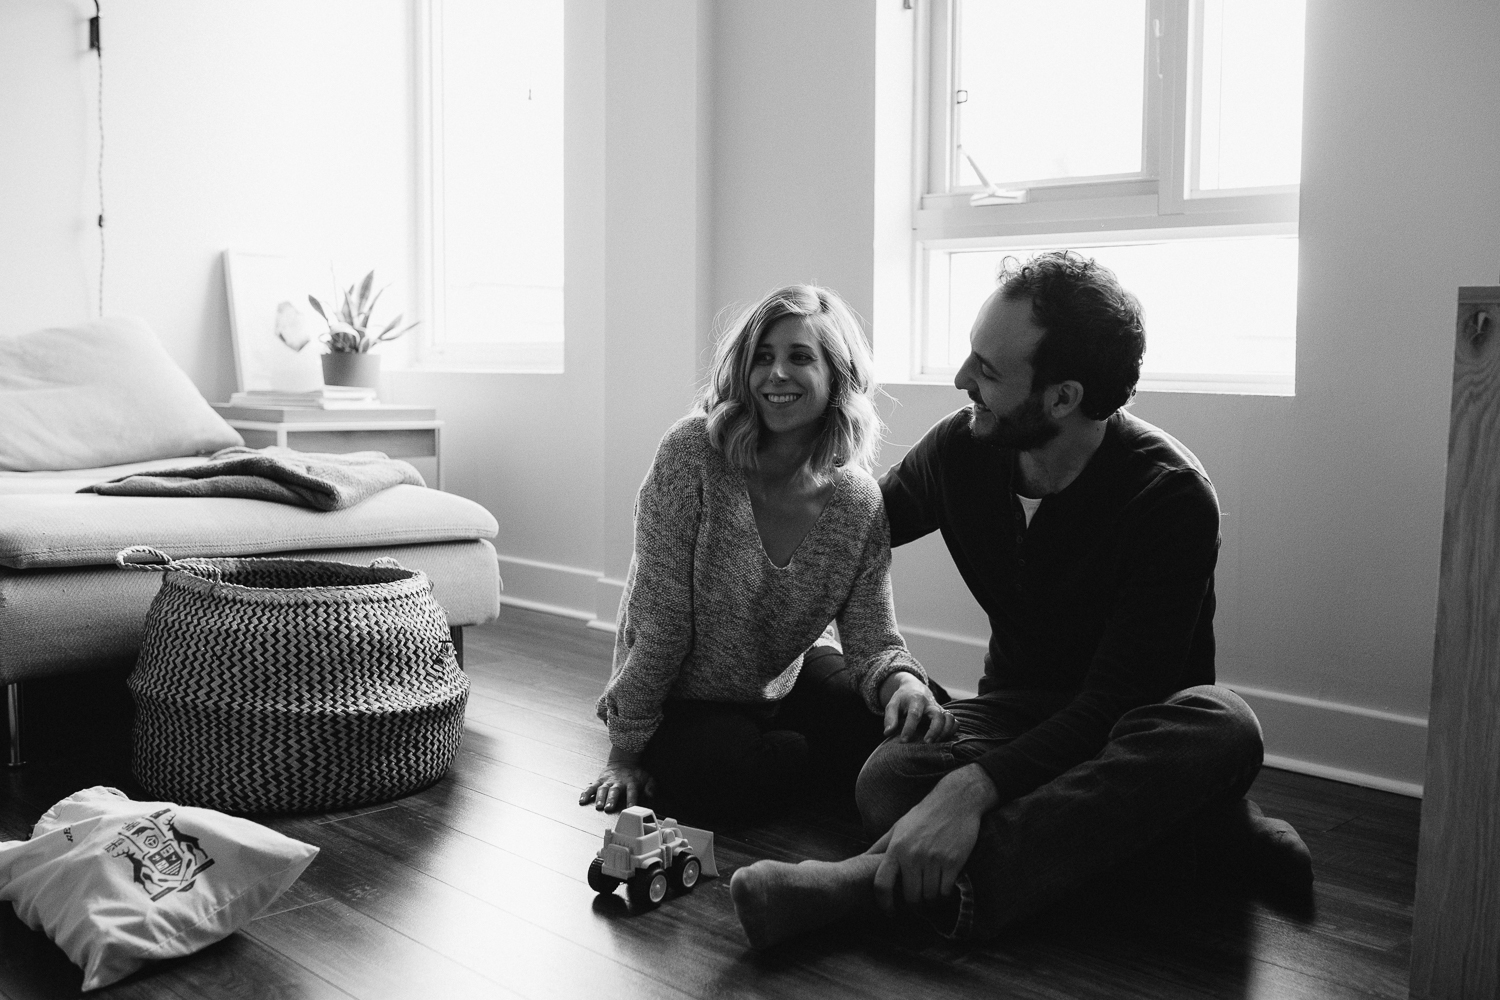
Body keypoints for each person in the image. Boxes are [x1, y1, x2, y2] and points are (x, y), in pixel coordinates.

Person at [730, 251, 1312, 946]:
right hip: (1017, 713)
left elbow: (1108, 704)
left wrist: (968, 791)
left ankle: (863, 887)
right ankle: (1188, 832)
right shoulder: (961, 450)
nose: (961, 380)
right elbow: (849, 535)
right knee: (887, 780)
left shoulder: (1172, 497)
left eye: (988, 370)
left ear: (1062, 397)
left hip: (1133, 724)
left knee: (1226, 726)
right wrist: (732, 571)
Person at [579, 284, 954, 824]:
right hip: (688, 696)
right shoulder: (692, 454)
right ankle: (824, 765)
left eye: (800, 357)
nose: (777, 374)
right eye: (762, 358)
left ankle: (816, 756)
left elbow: (873, 638)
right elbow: (657, 624)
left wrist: (905, 682)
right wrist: (625, 752)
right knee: (720, 780)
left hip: (785, 678)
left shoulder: (858, 500)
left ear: (837, 377)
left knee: (926, 715)